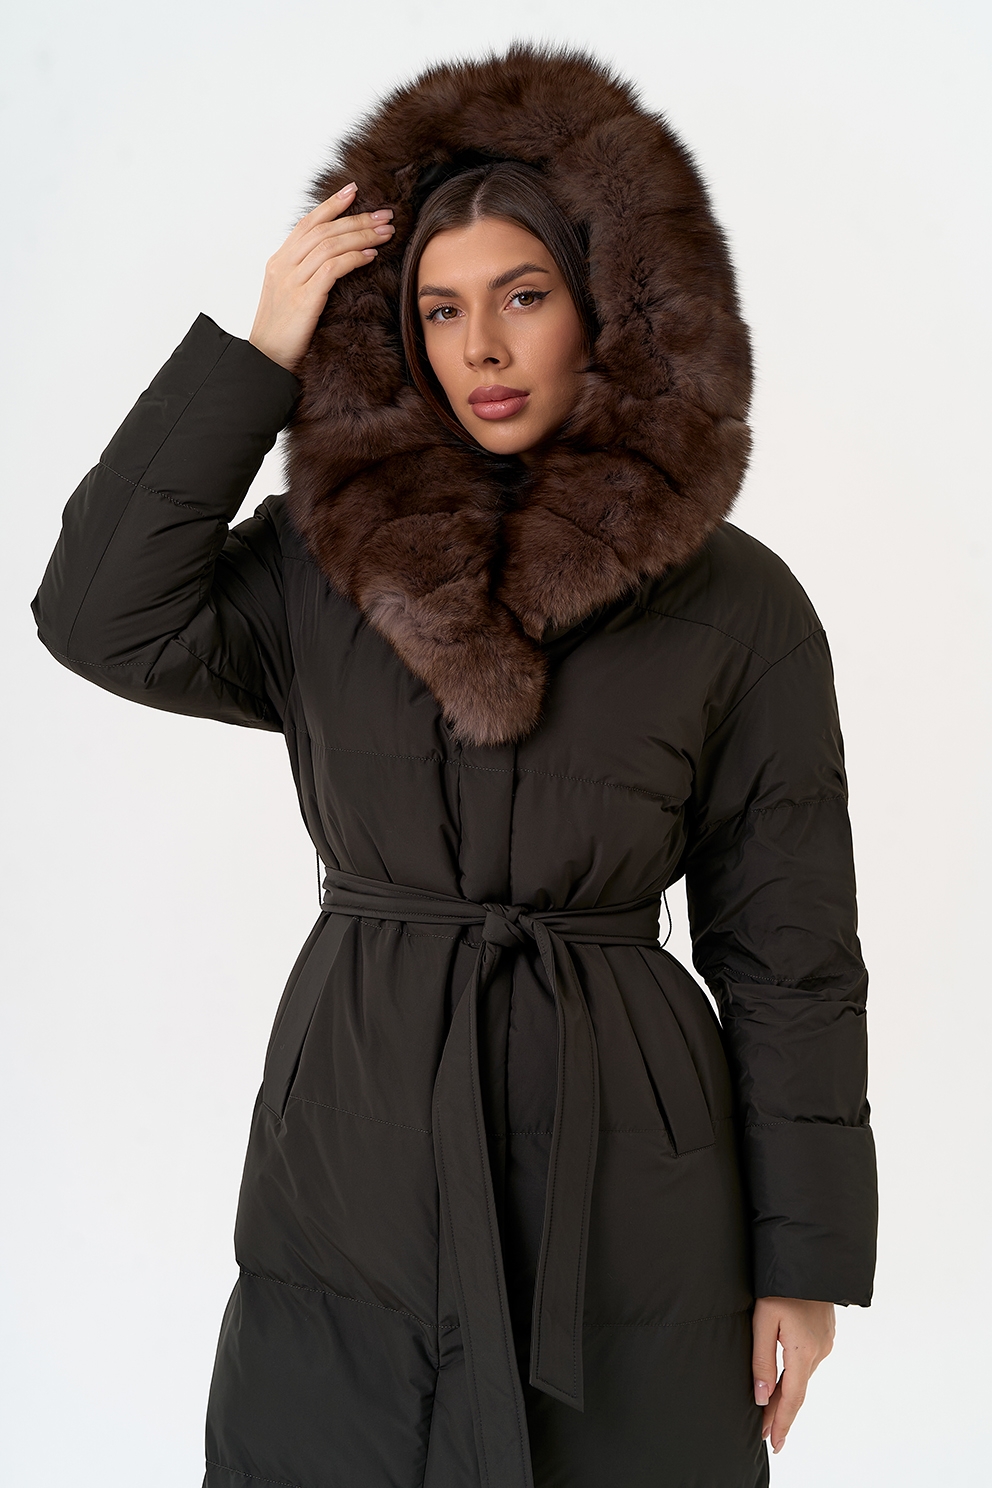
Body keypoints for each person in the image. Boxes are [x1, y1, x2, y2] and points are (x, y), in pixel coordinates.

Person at [30, 42, 878, 1488]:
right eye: (438, 308)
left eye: (524, 296)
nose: (480, 347)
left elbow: (789, 953)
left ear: (610, 303)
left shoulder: (738, 605)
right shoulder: (323, 566)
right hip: (357, 1143)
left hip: (633, 1171)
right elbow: (98, 615)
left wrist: (805, 1262)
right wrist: (256, 357)